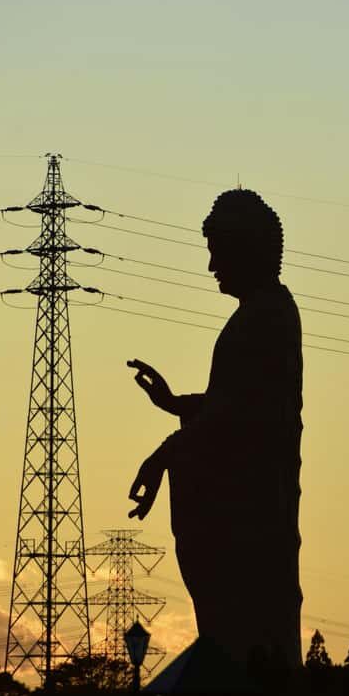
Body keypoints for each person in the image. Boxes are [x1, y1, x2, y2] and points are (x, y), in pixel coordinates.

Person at [128, 189, 303, 669]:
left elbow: (247, 418)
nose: (211, 268)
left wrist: (166, 453)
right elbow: (232, 404)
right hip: (251, 515)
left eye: (218, 253)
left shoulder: (266, 317)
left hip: (255, 519)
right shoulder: (258, 316)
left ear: (247, 250)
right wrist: (172, 404)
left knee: (248, 635)